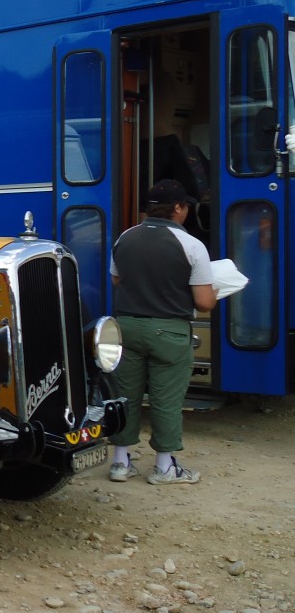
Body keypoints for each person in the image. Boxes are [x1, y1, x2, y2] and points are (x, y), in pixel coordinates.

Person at [107, 178, 217, 485]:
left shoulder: (126, 237)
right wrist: (216, 290)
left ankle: (120, 463)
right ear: (178, 208)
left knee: (124, 396)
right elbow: (204, 302)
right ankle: (165, 467)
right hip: (169, 331)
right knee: (166, 400)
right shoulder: (192, 245)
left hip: (126, 328)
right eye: (186, 207)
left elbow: (117, 280)